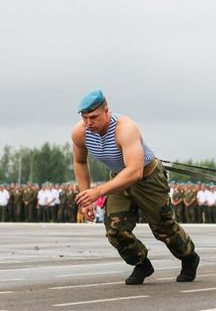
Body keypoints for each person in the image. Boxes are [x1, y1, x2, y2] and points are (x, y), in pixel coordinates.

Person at [71, 89, 199, 285]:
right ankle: (141, 264)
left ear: (107, 112)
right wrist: (85, 196)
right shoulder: (80, 133)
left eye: (94, 117)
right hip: (119, 179)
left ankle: (189, 257)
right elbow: (80, 162)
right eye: (85, 118)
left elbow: (134, 172)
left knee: (163, 228)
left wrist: (97, 192)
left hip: (147, 179)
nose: (89, 123)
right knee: (115, 230)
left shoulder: (125, 128)